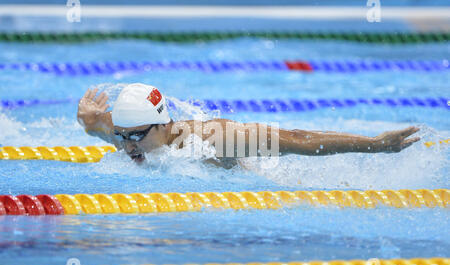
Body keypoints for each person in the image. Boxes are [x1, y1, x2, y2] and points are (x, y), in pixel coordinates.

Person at [77, 83, 420, 167]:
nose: (129, 147)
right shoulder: (125, 131)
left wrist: (376, 144)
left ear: (163, 124)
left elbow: (296, 139)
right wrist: (88, 117)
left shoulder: (212, 139)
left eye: (136, 136)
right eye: (122, 138)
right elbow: (96, 123)